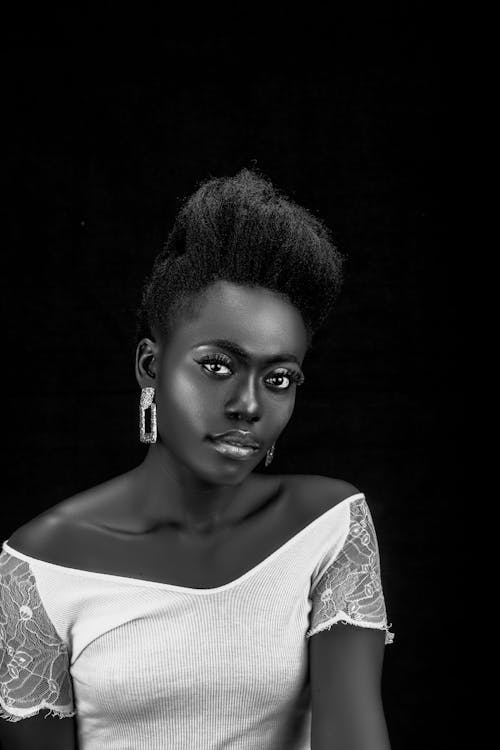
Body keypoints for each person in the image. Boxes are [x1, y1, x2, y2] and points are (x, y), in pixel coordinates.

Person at [0, 167, 395, 749]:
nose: (248, 404)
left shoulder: (329, 526)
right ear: (149, 366)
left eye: (280, 378)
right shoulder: (41, 564)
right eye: (217, 366)